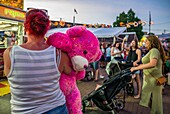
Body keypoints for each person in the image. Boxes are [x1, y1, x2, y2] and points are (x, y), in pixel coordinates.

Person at [3, 9, 72, 114]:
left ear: (26, 27)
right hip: (57, 108)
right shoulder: (58, 54)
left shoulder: (10, 53)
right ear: (46, 29)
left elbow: (8, 75)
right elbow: (72, 72)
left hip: (23, 111)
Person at [130, 35, 166, 114]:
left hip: (153, 81)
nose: (145, 42)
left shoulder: (154, 50)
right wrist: (139, 66)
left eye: (146, 41)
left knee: (155, 103)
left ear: (151, 42)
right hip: (152, 80)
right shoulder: (153, 51)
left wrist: (137, 68)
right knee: (153, 102)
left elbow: (153, 64)